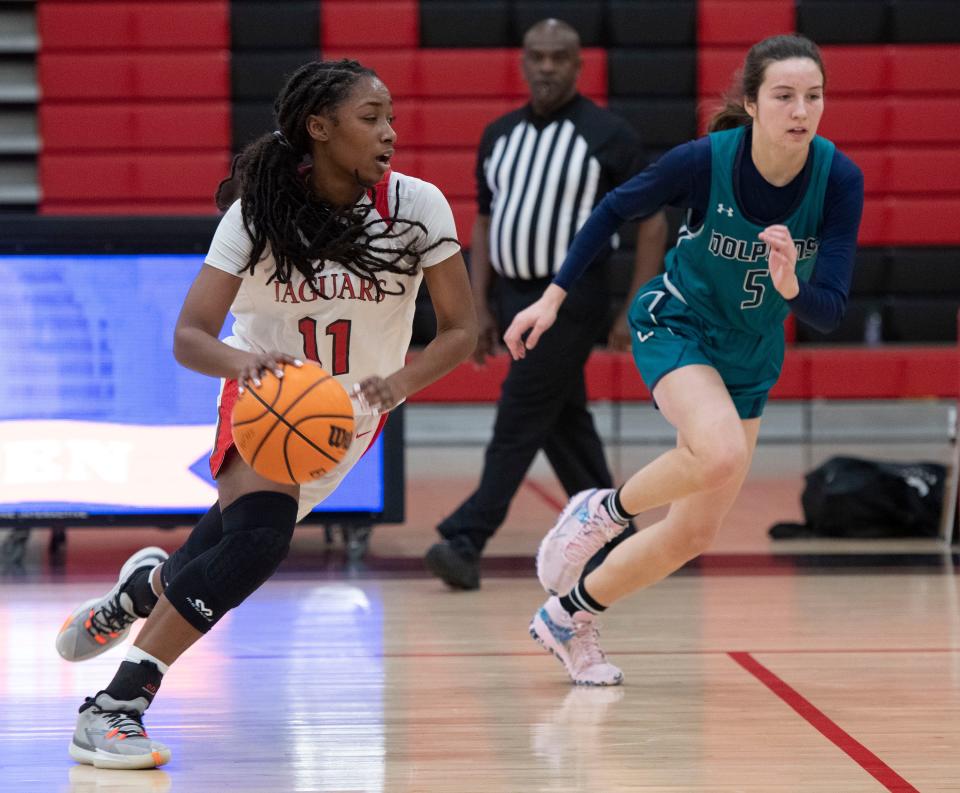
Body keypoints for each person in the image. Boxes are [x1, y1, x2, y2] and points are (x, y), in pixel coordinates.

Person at [55, 59, 478, 769]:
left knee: (215, 552)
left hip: (348, 419)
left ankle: (142, 589)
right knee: (257, 544)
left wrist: (400, 383)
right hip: (265, 403)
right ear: (319, 126)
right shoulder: (256, 214)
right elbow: (190, 334)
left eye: (391, 117)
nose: (389, 133)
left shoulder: (417, 207)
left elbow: (462, 329)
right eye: (370, 118)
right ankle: (113, 706)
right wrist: (242, 366)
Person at [504, 34, 864, 685]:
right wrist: (552, 298)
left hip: (751, 354)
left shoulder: (838, 178)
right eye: (784, 95)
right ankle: (603, 510)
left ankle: (568, 617)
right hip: (679, 325)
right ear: (753, 102)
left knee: (694, 533)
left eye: (813, 96)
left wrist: (791, 287)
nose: (801, 110)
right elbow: (614, 208)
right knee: (719, 450)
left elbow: (830, 309)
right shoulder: (706, 161)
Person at [424, 18, 667, 591]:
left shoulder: (609, 135)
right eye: (537, 56)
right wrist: (478, 304)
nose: (548, 67)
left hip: (571, 297)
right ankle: (619, 534)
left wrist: (633, 303)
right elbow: (484, 222)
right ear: (524, 62)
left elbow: (653, 222)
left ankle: (467, 536)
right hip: (510, 294)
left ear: (579, 65)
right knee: (562, 419)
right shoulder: (499, 134)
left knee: (521, 411)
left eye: (560, 57)